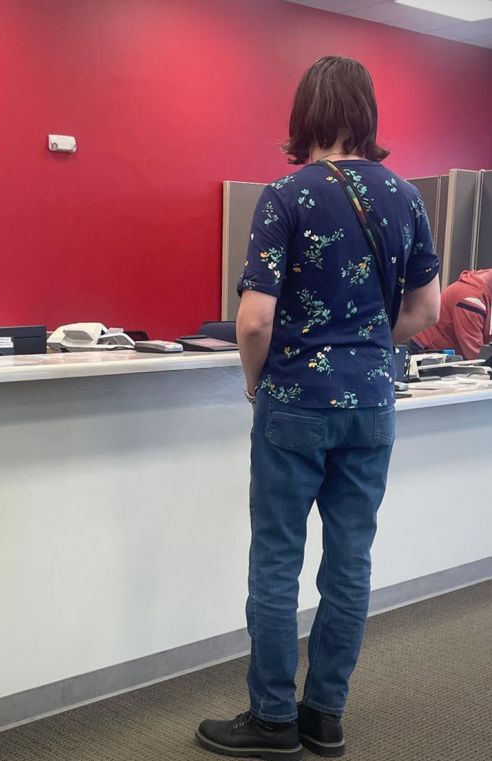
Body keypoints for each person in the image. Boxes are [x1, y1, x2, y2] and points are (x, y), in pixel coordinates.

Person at [195, 56, 441, 760]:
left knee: (277, 561)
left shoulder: (285, 196)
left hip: (294, 403)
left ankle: (272, 718)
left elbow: (252, 322)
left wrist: (254, 381)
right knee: (350, 562)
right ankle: (325, 715)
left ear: (303, 116)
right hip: (372, 405)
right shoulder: (405, 196)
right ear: (366, 114)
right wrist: (365, 343)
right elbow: (425, 308)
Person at [411, 269, 492, 359]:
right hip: (428, 352)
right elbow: (476, 356)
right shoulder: (471, 300)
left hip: (446, 351)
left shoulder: (484, 281)